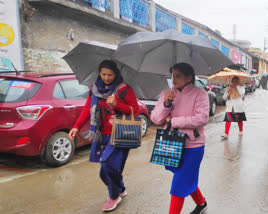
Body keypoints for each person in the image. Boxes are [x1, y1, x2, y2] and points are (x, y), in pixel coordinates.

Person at [68, 60, 139, 212]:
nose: (106, 78)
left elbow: (136, 111)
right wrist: (76, 126)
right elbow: (87, 108)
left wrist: (116, 105)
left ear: (116, 74)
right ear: (99, 73)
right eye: (103, 74)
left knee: (106, 166)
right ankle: (120, 188)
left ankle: (114, 196)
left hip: (120, 134)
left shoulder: (124, 89)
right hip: (101, 134)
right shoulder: (94, 89)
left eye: (110, 75)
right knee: (109, 167)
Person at [151, 63, 209, 214]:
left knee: (179, 183)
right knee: (184, 177)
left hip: (193, 145)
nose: (174, 80)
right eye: (172, 76)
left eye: (178, 76)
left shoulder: (200, 94)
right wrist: (166, 104)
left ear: (189, 77)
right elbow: (156, 119)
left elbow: (201, 118)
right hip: (171, 142)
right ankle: (201, 203)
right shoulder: (167, 93)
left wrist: (175, 122)